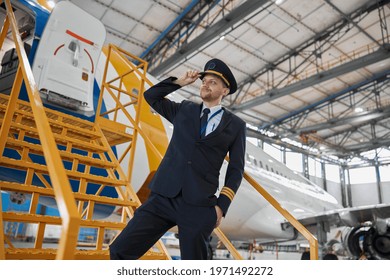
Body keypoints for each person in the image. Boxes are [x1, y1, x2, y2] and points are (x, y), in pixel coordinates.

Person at [109, 58, 246, 260]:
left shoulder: (235, 125)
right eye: (205, 81)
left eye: (213, 82)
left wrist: (221, 207)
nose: (206, 84)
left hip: (199, 205)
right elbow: (151, 96)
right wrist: (180, 82)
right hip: (162, 197)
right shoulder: (184, 109)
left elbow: (236, 170)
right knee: (120, 250)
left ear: (224, 91)